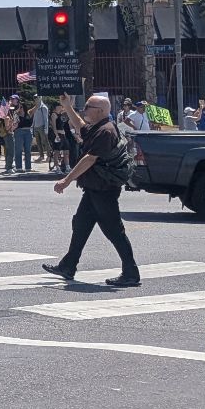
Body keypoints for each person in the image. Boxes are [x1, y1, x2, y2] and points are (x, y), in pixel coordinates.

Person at [44, 95, 142, 288]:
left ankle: (131, 273)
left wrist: (66, 180)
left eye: (88, 107)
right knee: (81, 225)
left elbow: (90, 158)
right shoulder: (99, 127)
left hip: (104, 190)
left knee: (114, 231)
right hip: (94, 189)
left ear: (100, 110)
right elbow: (81, 127)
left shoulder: (106, 131)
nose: (85, 109)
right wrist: (68, 107)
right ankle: (68, 266)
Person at [9, 95, 35, 173]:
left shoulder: (29, 113)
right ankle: (19, 167)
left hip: (28, 132)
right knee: (18, 150)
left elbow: (37, 106)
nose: (20, 108)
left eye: (21, 107)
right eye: (19, 107)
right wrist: (16, 113)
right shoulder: (16, 114)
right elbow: (14, 123)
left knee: (28, 150)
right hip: (19, 132)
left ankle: (28, 167)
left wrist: (38, 98)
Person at [31, 96, 53, 169]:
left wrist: (46, 128)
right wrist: (33, 126)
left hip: (42, 127)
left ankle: (49, 156)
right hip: (36, 127)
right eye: (34, 98)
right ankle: (41, 156)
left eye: (37, 97)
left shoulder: (44, 107)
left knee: (45, 142)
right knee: (38, 142)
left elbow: (46, 119)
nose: (35, 99)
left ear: (40, 98)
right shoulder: (36, 107)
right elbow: (34, 117)